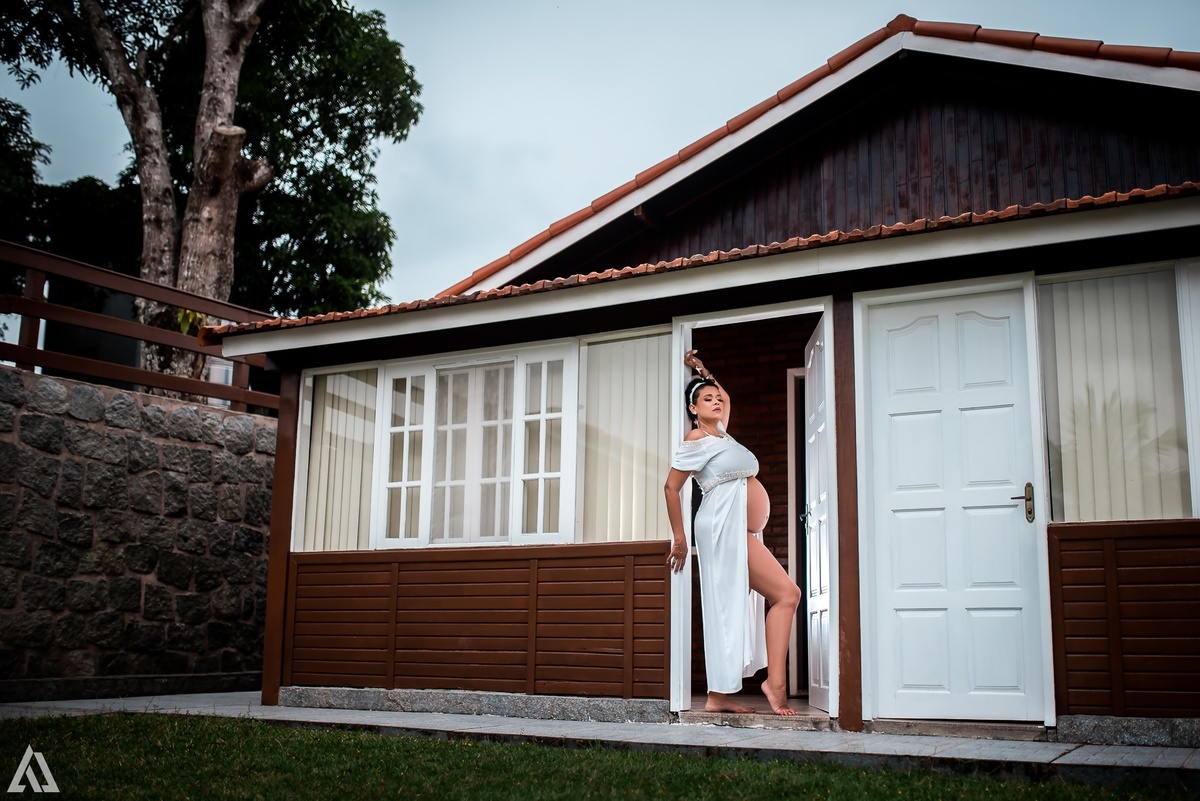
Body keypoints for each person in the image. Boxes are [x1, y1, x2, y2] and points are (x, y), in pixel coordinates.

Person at [664, 349, 801, 716]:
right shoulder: (696, 439)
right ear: (694, 408)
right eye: (707, 399)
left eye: (718, 398)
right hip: (721, 528)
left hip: (739, 530)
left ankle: (717, 696)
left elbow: (726, 396)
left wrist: (703, 370)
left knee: (738, 605)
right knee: (786, 593)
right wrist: (680, 538)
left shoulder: (724, 436)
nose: (717, 402)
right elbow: (670, 488)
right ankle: (774, 684)